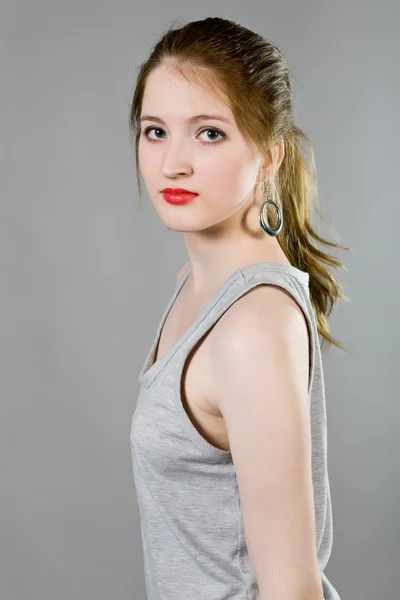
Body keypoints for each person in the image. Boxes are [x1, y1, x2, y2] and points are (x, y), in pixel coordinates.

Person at [129, 16, 348, 600]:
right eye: (155, 131)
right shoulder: (195, 284)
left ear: (270, 156)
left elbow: (291, 590)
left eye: (209, 133)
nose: (173, 162)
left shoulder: (251, 325)